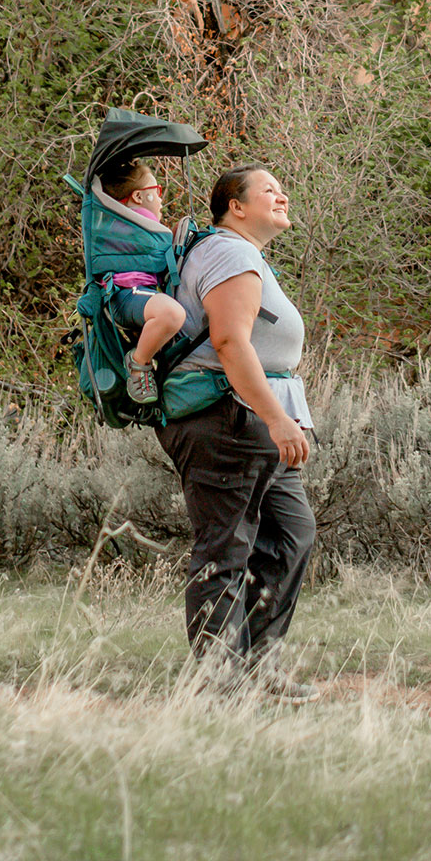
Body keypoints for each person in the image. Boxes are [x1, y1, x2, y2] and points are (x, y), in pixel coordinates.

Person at [157, 164, 318, 700]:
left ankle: (259, 669)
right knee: (226, 547)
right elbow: (229, 343)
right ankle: (218, 683)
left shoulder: (241, 253)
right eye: (269, 189)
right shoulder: (230, 252)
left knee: (292, 534)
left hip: (251, 420)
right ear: (236, 207)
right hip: (225, 418)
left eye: (282, 185)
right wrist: (275, 418)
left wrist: (279, 417)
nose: (283, 193)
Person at [94, 155, 189, 404]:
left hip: (137, 294)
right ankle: (138, 364)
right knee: (172, 314)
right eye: (156, 190)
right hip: (127, 295)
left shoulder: (121, 225)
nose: (161, 198)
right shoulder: (133, 222)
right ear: (138, 197)